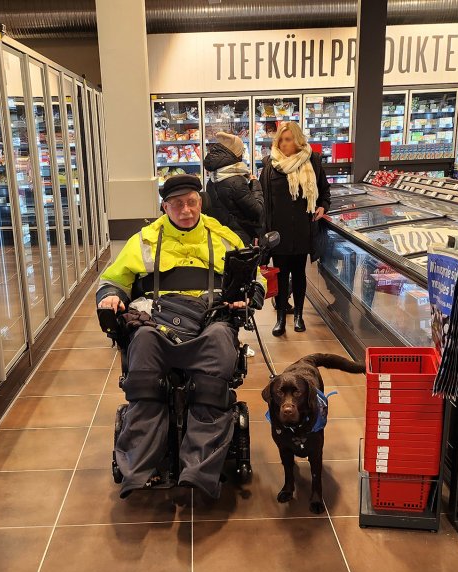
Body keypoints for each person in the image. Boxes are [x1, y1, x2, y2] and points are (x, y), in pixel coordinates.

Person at [96, 174, 264, 500]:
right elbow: (114, 279)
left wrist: (248, 296)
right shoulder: (144, 240)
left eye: (191, 202)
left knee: (215, 369)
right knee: (142, 359)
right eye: (177, 204)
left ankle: (199, 470)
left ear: (200, 202)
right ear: (165, 207)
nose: (186, 210)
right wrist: (112, 295)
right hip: (154, 322)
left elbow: (254, 278)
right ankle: (139, 467)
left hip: (210, 321)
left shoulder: (224, 237)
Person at [259, 121, 332, 336]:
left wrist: (322, 207)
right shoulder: (270, 164)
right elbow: (263, 200)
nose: (283, 144)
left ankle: (298, 315)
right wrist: (262, 232)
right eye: (280, 139)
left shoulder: (313, 162)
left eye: (288, 139)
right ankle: (281, 317)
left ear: (298, 141)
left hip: (302, 229)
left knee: (299, 274)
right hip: (278, 232)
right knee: (281, 276)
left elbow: (325, 192)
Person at [203, 131, 264, 246]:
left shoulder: (213, 177)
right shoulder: (236, 181)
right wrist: (255, 184)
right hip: (239, 238)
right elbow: (257, 211)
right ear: (236, 153)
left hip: (220, 235)